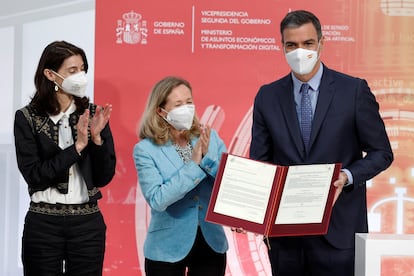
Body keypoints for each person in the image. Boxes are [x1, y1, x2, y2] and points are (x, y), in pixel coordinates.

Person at [249, 10, 393, 276]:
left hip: (339, 232)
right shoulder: (267, 97)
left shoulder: (354, 91)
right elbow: (260, 162)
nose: (299, 51)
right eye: (291, 45)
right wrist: (245, 208)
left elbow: (382, 153)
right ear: (282, 46)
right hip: (286, 237)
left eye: (307, 43)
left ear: (321, 43)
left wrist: (347, 176)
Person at [14, 40, 116, 276]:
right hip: (43, 222)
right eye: (72, 71)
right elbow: (35, 175)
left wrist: (97, 139)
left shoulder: (94, 115)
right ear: (50, 74)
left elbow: (104, 176)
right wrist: (78, 146)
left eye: (82, 69)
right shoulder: (27, 118)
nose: (80, 76)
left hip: (87, 223)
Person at [133, 76, 228, 276]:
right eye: (178, 104)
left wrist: (207, 161)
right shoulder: (145, 150)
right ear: (160, 110)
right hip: (166, 247)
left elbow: (227, 184)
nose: (186, 108)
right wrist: (194, 165)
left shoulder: (211, 137)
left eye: (189, 102)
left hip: (210, 242)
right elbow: (158, 200)